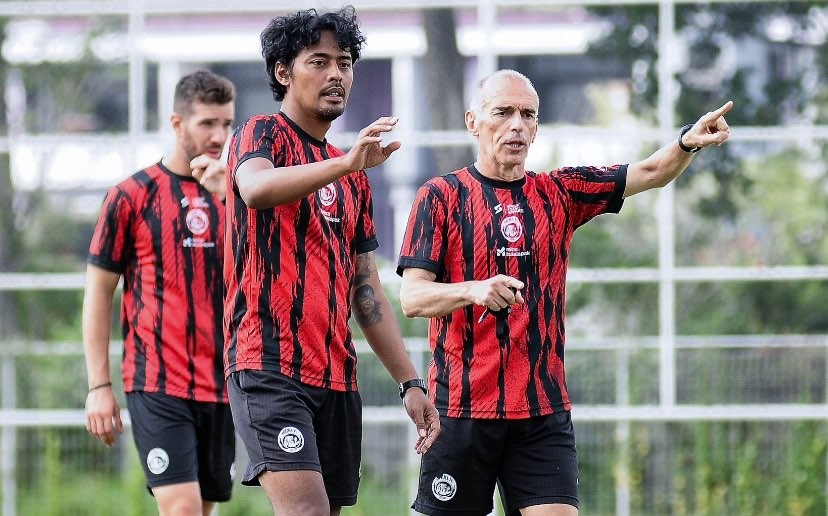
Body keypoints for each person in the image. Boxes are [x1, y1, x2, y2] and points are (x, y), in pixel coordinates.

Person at [397, 69, 732, 516]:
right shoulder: (439, 197)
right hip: (460, 411)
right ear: (473, 121)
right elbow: (412, 299)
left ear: (536, 127)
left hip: (541, 413)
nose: (516, 124)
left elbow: (651, 171)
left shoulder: (560, 192)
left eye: (527, 115)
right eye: (503, 112)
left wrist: (687, 141)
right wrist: (475, 290)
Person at [223, 6, 440, 515]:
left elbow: (367, 292)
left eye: (344, 62)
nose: (336, 74)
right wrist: (342, 163)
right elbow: (254, 190)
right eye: (319, 62)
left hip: (336, 377)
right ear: (283, 72)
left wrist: (411, 381)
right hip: (268, 365)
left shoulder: (355, 176)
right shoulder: (261, 135)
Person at [83, 70, 236, 516]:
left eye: (226, 124)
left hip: (223, 383)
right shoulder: (131, 196)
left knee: (204, 510)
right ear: (177, 123)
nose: (218, 135)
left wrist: (229, 197)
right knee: (183, 509)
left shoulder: (238, 198)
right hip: (157, 381)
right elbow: (98, 293)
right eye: (207, 123)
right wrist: (99, 385)